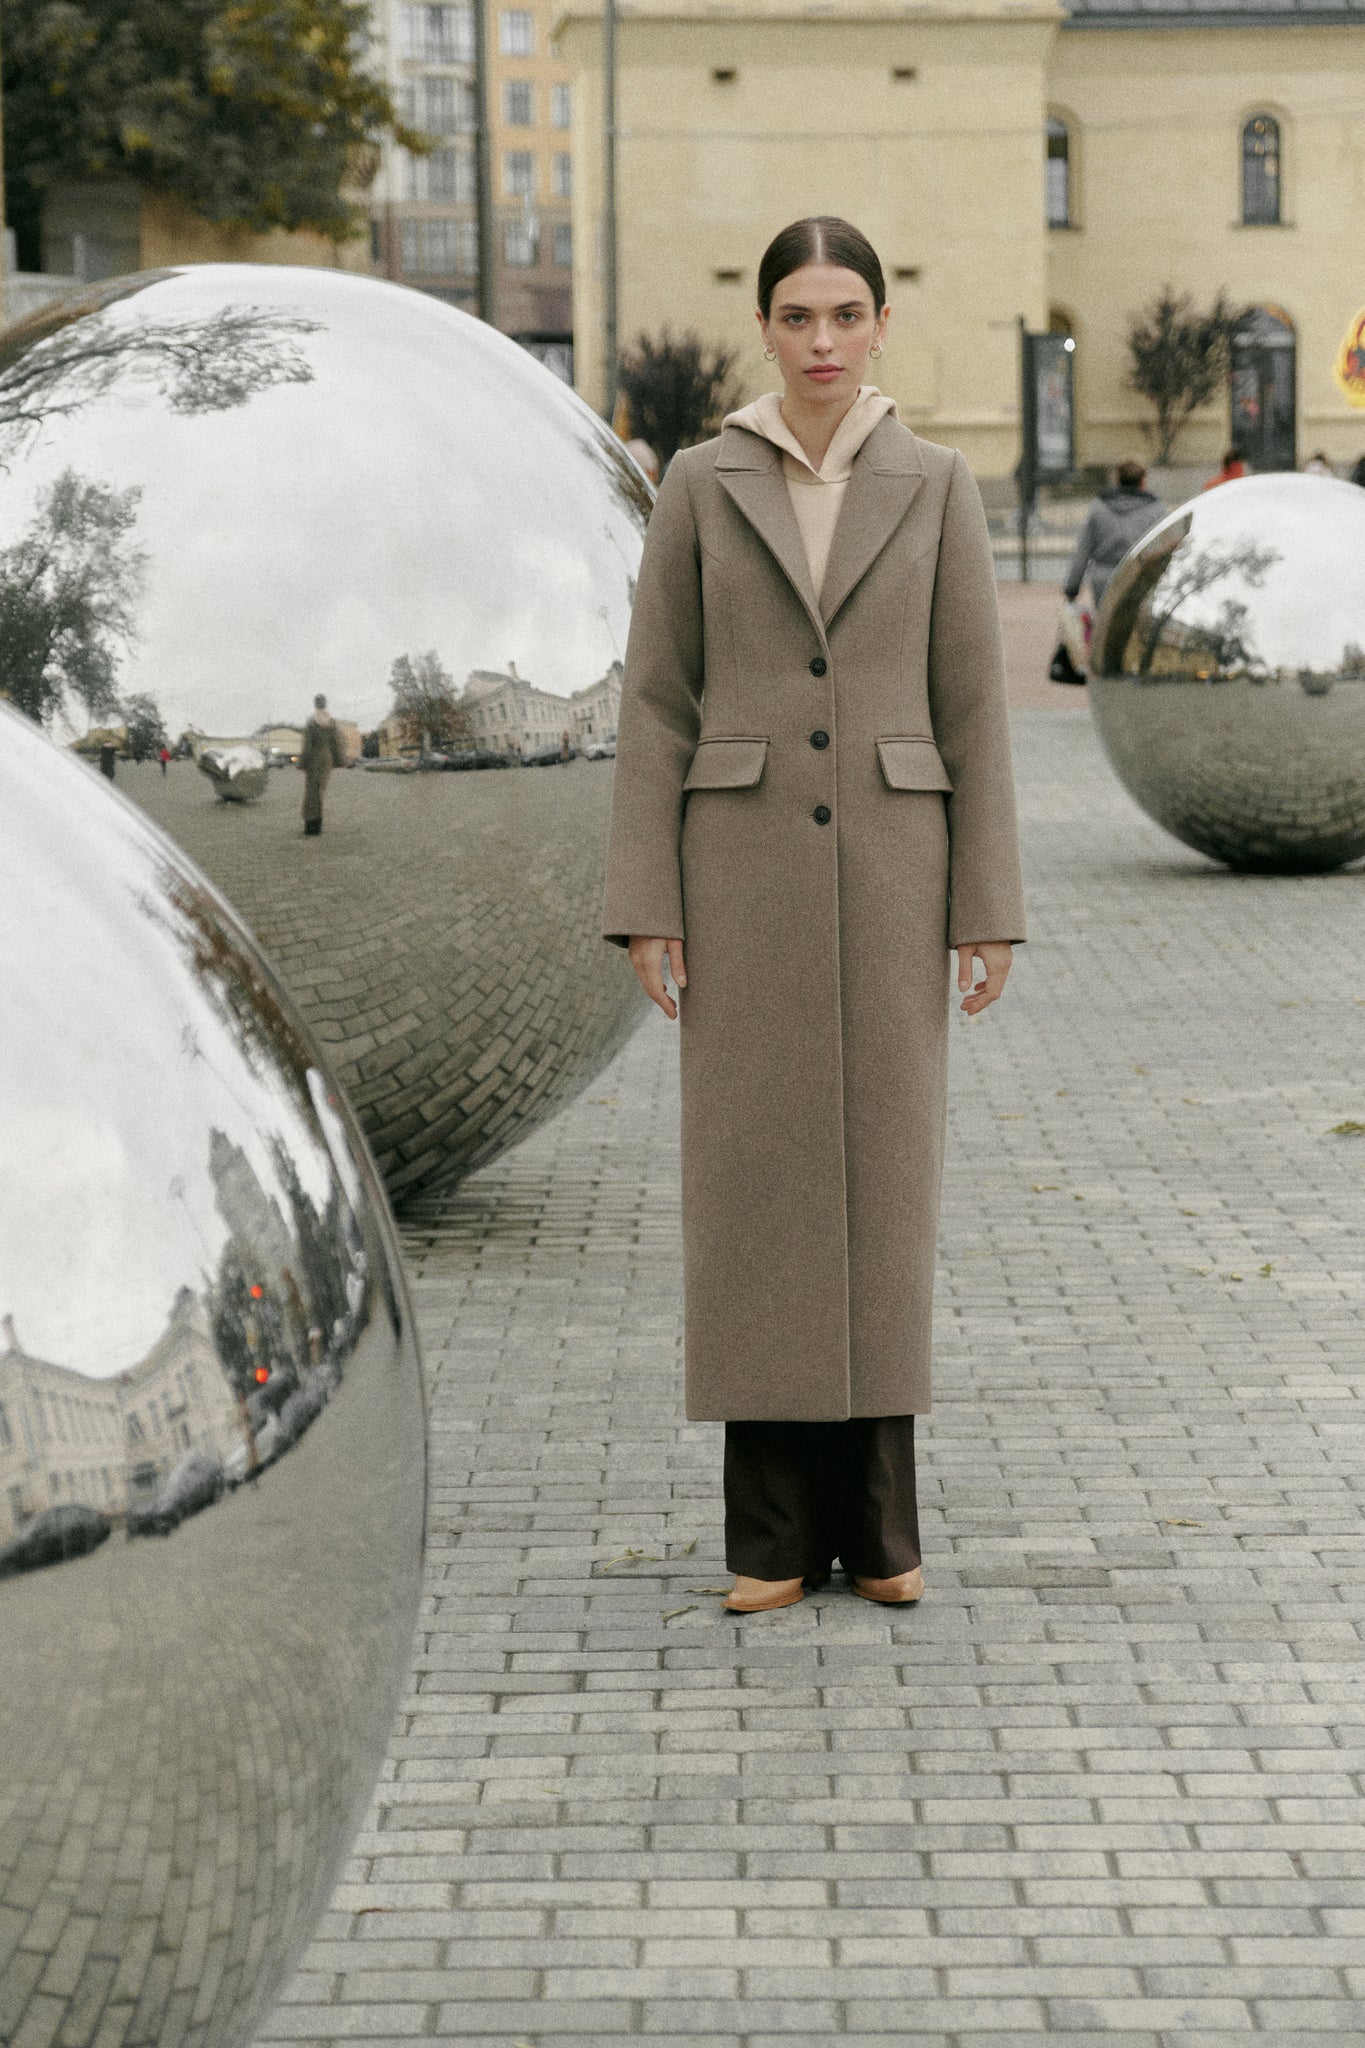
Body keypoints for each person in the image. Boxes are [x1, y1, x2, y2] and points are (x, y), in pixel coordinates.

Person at [601, 216, 1025, 1616]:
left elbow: (973, 706)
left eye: (847, 314)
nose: (824, 340)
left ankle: (882, 1526)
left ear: (882, 323)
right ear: (766, 329)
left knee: (883, 1186)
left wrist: (989, 908)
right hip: (740, 878)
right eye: (798, 316)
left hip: (900, 871)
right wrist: (646, 904)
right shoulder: (701, 483)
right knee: (759, 1185)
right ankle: (770, 1537)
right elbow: (656, 702)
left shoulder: (941, 482)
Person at [1063, 458, 1166, 614]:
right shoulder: (1156, 509)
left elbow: (1082, 550)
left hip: (1103, 580)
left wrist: (1072, 588)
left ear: (1117, 479)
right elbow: (1164, 549)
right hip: (1140, 577)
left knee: (1106, 626)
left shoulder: (1098, 507)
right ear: (1143, 481)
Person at [300, 693, 345, 836]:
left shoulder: (311, 721)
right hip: (327, 758)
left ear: (315, 704)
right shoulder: (332, 721)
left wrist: (303, 762)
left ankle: (311, 825)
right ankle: (318, 824)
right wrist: (339, 760)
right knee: (320, 791)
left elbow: (307, 745)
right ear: (325, 704)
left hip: (314, 757)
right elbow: (337, 742)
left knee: (311, 791)